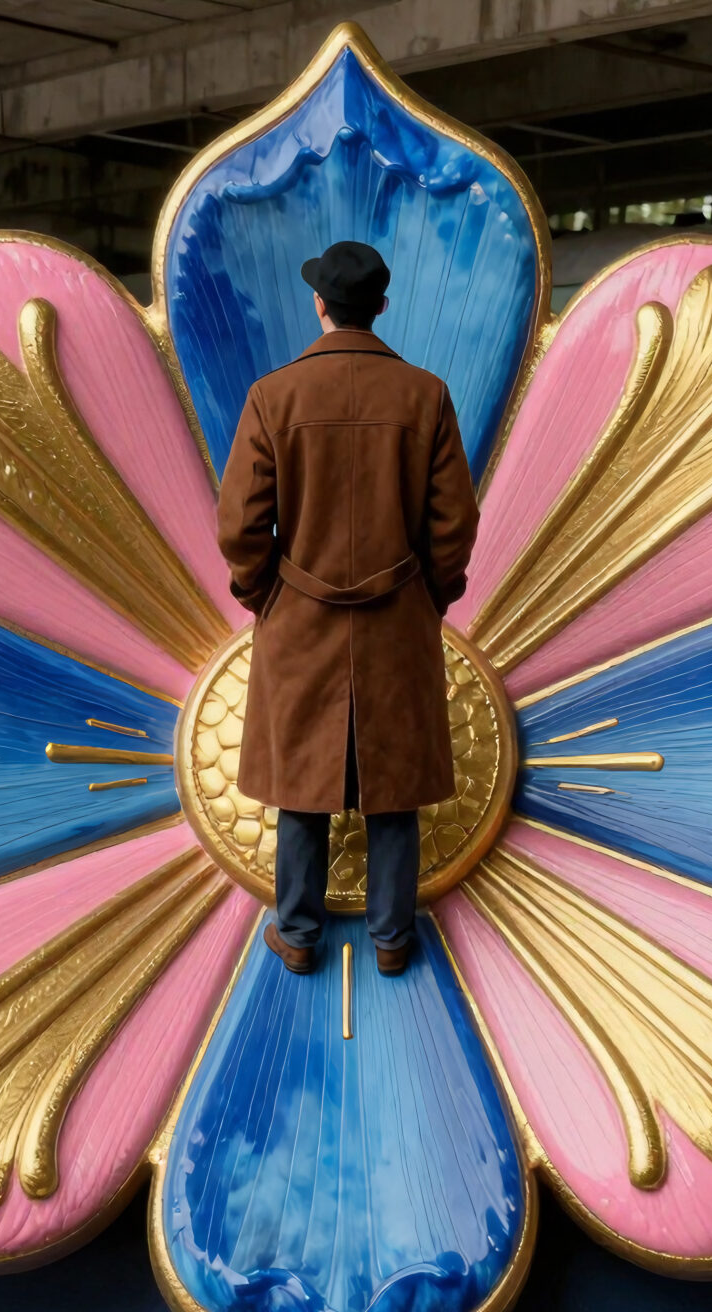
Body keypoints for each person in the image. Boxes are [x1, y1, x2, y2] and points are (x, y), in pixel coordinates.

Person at [216, 240, 480, 976]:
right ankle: (394, 938)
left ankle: (297, 933)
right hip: (399, 617)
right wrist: (431, 594)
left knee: (302, 777)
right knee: (392, 781)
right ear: (383, 308)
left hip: (299, 618)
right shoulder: (425, 395)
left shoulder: (274, 397)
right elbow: (454, 522)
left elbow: (239, 524)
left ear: (319, 304)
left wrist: (263, 594)